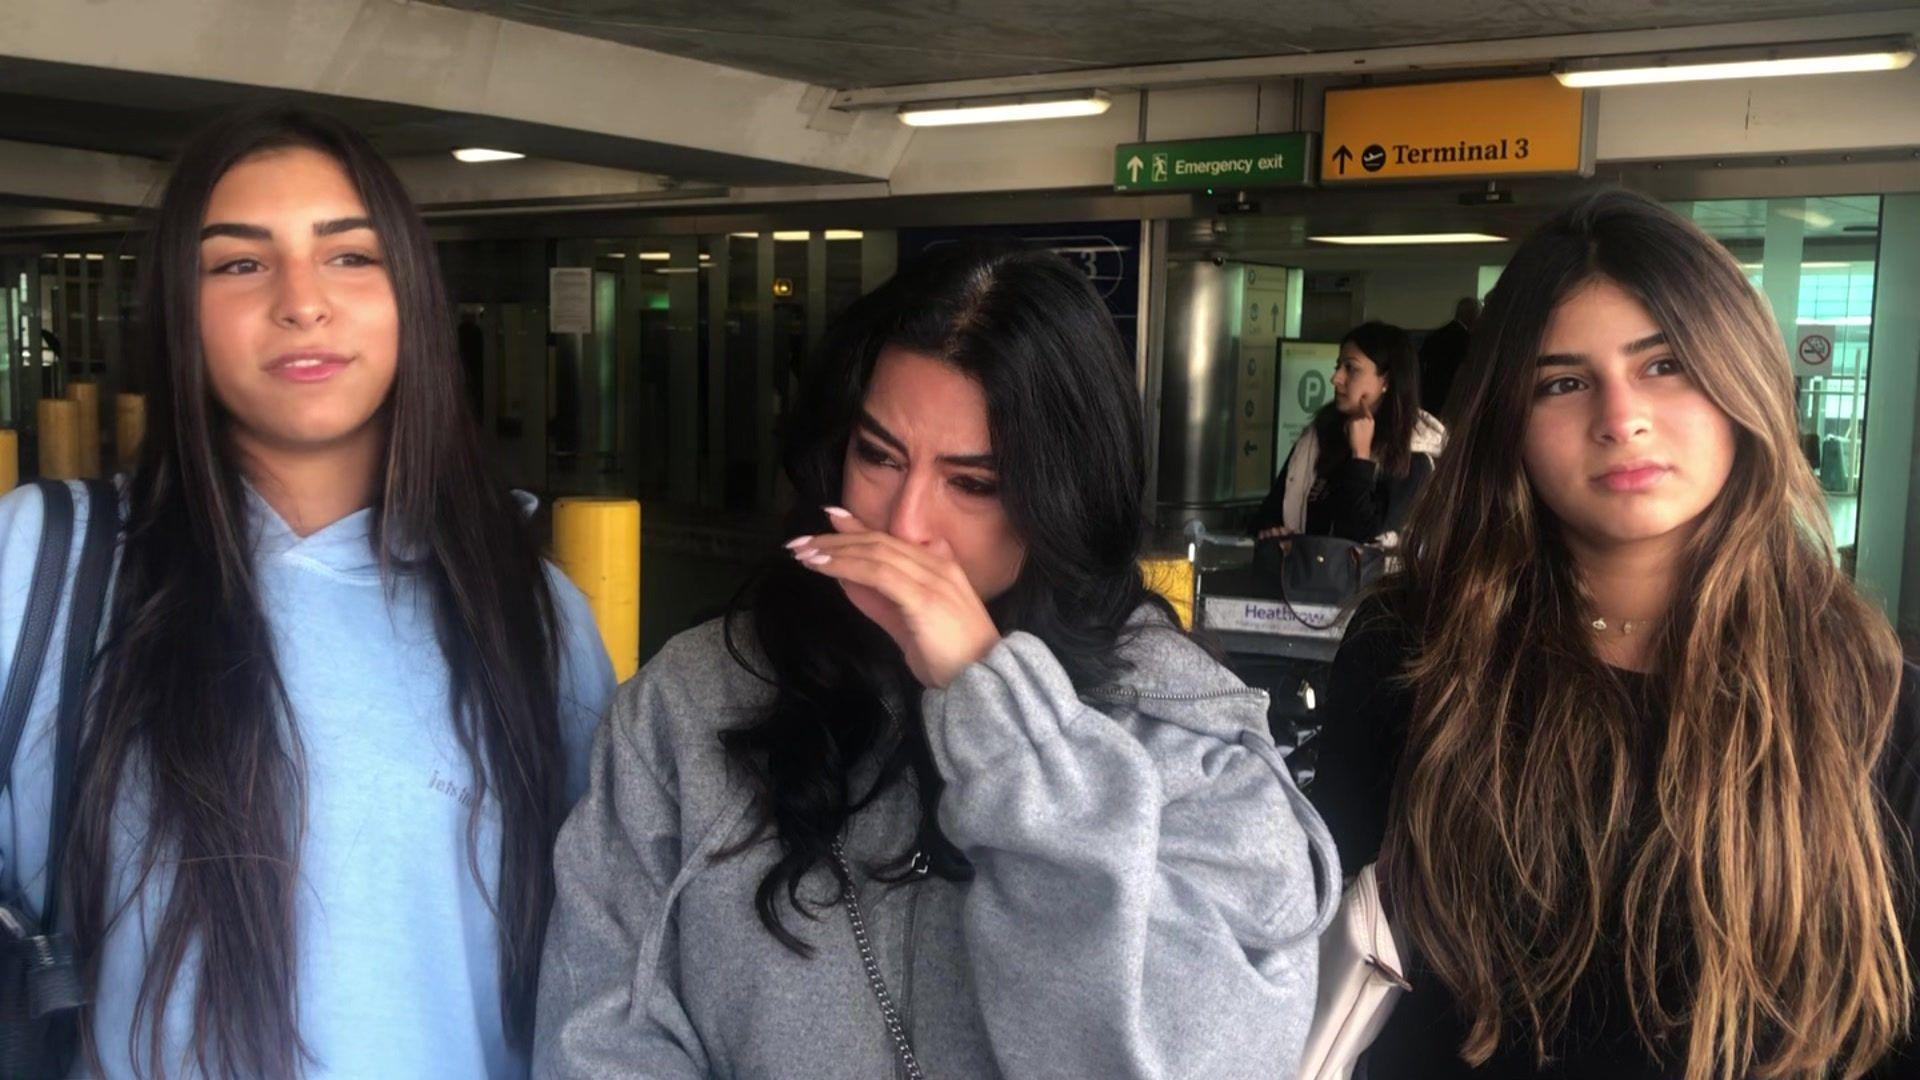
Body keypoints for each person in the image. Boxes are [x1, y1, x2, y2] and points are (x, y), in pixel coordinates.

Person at [535, 245, 1338, 1078]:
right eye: (879, 456)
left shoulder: (1184, 740)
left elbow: (1200, 1057)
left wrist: (996, 715)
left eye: (975, 484)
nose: (907, 523)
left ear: (1059, 498)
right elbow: (598, 1022)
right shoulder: (697, 696)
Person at [0, 108, 614, 1077]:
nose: (302, 303)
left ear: (409, 291)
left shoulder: (530, 614)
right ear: (177, 310)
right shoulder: (50, 561)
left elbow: (597, 967)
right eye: (239, 264)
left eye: (350, 257)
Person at [1311, 189, 1918, 1079]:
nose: (1620, 416)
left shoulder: (1867, 693)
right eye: (1562, 382)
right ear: (1507, 422)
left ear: (1740, 374)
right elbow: (1325, 947)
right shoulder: (1416, 651)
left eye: (1664, 364)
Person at [1252, 321, 1444, 546]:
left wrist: (1360, 457)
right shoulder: (1317, 437)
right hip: (1303, 576)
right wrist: (1274, 533)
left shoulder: (1414, 454)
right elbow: (1269, 512)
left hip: (1368, 581)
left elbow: (1362, 537)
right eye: (1338, 366)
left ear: (1387, 381)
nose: (1336, 378)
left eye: (1351, 368)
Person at [1418, 296, 1480, 419]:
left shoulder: (1435, 336)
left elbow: (1421, 363)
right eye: (1478, 314)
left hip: (1429, 398)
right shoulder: (1468, 341)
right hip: (1453, 400)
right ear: (1470, 315)